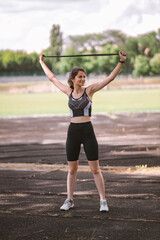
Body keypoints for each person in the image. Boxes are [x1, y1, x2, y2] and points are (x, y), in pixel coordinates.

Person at [39, 50, 127, 212]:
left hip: (87, 131)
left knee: (95, 169)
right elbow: (52, 78)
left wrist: (121, 61)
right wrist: (41, 62)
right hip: (73, 132)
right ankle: (70, 199)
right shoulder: (68, 92)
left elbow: (110, 78)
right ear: (73, 79)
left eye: (84, 76)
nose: (83, 79)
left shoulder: (90, 91)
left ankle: (103, 201)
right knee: (72, 169)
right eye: (80, 76)